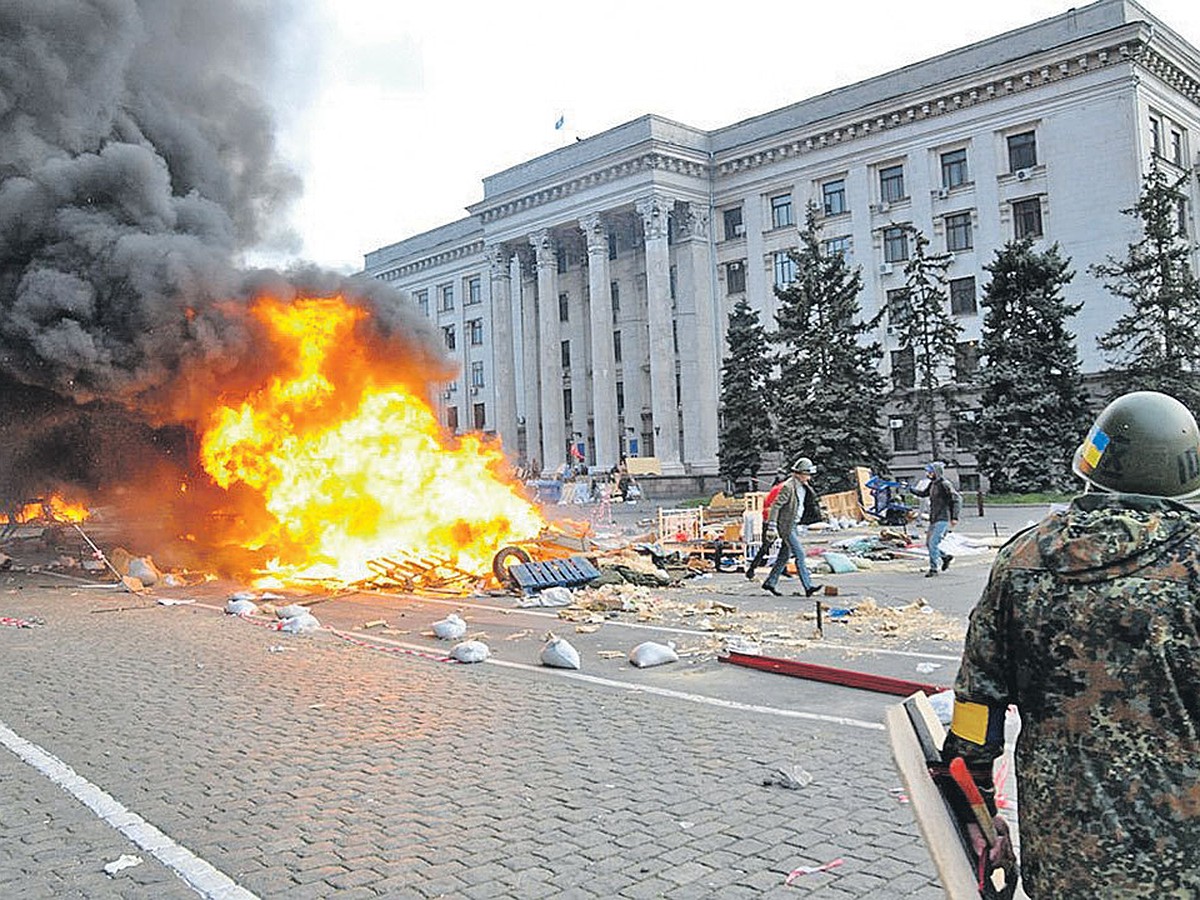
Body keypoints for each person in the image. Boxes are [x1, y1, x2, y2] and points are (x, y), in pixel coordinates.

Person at [942, 390, 1200, 898]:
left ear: (1091, 466)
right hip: (1183, 861)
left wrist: (977, 811)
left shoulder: (1021, 560)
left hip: (1062, 857)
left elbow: (976, 706)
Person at [761, 457, 823, 597]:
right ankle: (808, 586)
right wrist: (772, 525)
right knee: (800, 554)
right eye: (807, 474)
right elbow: (776, 506)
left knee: (784, 556)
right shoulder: (788, 487)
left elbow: (807, 503)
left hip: (793, 524)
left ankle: (770, 582)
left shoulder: (803, 486)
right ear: (799, 473)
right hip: (786, 526)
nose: (809, 477)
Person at [910, 460, 960, 577]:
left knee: (933, 543)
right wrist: (910, 488)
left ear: (936, 472)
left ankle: (934, 569)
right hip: (934, 518)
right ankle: (945, 557)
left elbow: (956, 499)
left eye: (930, 472)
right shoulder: (933, 484)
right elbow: (923, 494)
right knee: (929, 543)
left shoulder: (945, 484)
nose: (928, 474)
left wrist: (954, 517)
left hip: (943, 518)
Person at [745, 474, 785, 580]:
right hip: (772, 522)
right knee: (767, 546)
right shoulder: (780, 490)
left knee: (781, 546)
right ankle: (752, 569)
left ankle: (781, 569)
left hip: (771, 521)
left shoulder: (776, 490)